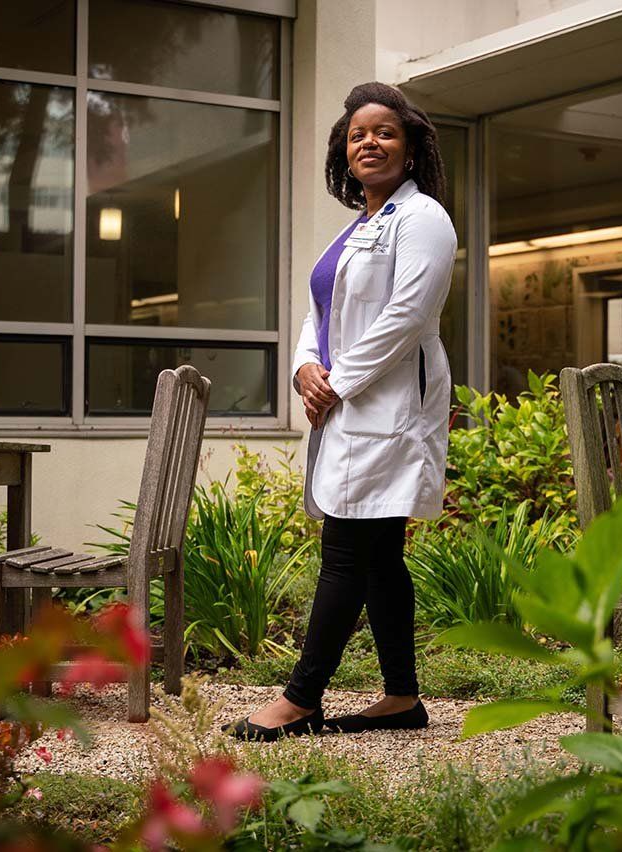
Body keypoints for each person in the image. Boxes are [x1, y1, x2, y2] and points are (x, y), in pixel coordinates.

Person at [224, 82, 457, 741]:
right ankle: (402, 697)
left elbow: (407, 317)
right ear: (344, 152)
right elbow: (318, 314)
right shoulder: (358, 228)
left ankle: (300, 698)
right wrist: (305, 367)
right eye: (358, 134)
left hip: (389, 404)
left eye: (385, 132)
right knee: (381, 557)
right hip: (353, 403)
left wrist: (338, 383)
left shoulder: (424, 220)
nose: (370, 143)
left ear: (410, 148)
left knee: (347, 550)